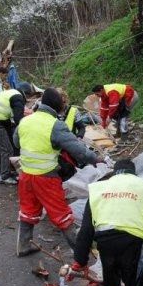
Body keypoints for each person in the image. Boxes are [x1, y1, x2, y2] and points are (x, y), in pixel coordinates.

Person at [13, 88, 102, 256]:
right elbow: (78, 150)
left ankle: (23, 246)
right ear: (57, 106)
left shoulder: (25, 121)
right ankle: (80, 251)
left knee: (28, 210)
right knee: (61, 213)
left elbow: (16, 143)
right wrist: (95, 159)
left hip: (25, 175)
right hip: (46, 178)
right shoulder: (55, 125)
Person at [0, 82, 32, 184]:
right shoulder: (18, 97)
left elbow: (6, 112)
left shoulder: (10, 92)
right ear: (26, 93)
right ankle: (6, 175)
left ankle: (2, 171)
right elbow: (19, 119)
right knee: (7, 150)